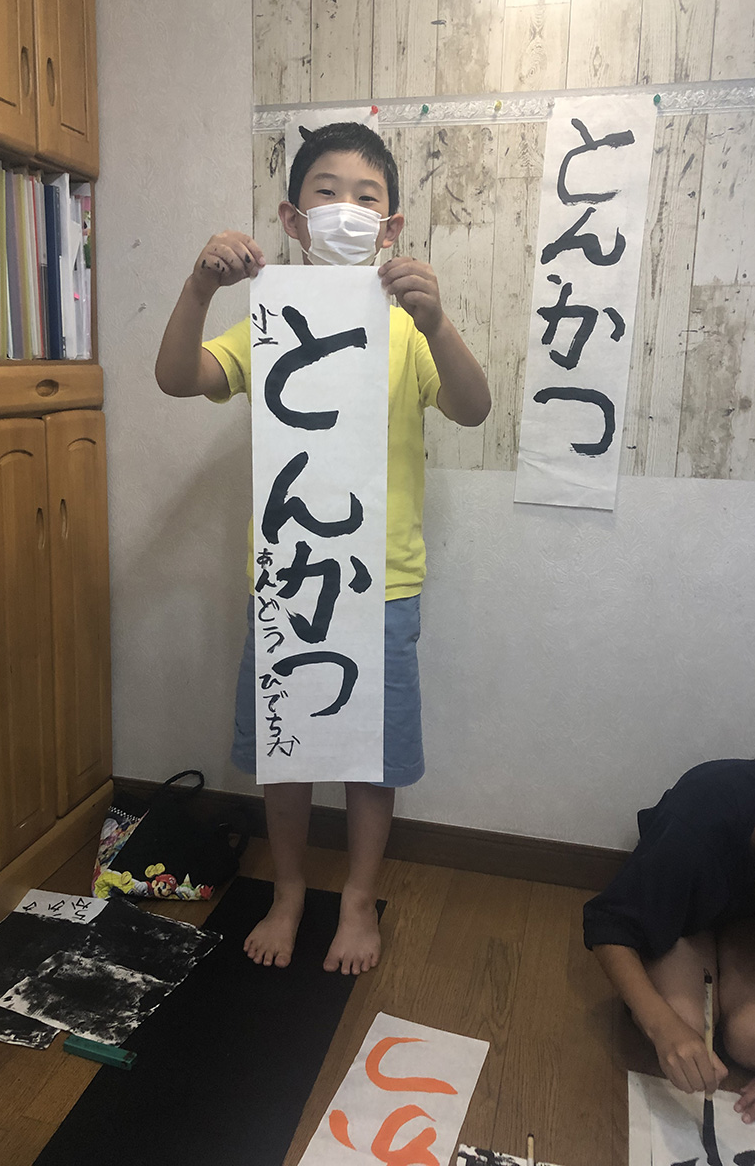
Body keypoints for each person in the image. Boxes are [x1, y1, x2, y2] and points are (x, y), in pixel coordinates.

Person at [155, 122, 491, 977]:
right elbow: (178, 377)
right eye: (326, 192)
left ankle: (358, 898)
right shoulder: (271, 316)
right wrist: (199, 288)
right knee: (289, 745)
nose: (346, 207)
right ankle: (290, 889)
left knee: (372, 758)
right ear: (292, 219)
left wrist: (438, 321)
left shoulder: (407, 325)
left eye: (366, 197)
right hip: (290, 579)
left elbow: (474, 407)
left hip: (383, 583)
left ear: (392, 225)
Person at [583, 754, 755, 1133]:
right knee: (684, 1022)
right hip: (685, 918)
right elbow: (609, 926)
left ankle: (729, 948)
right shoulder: (697, 820)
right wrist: (662, 1027)